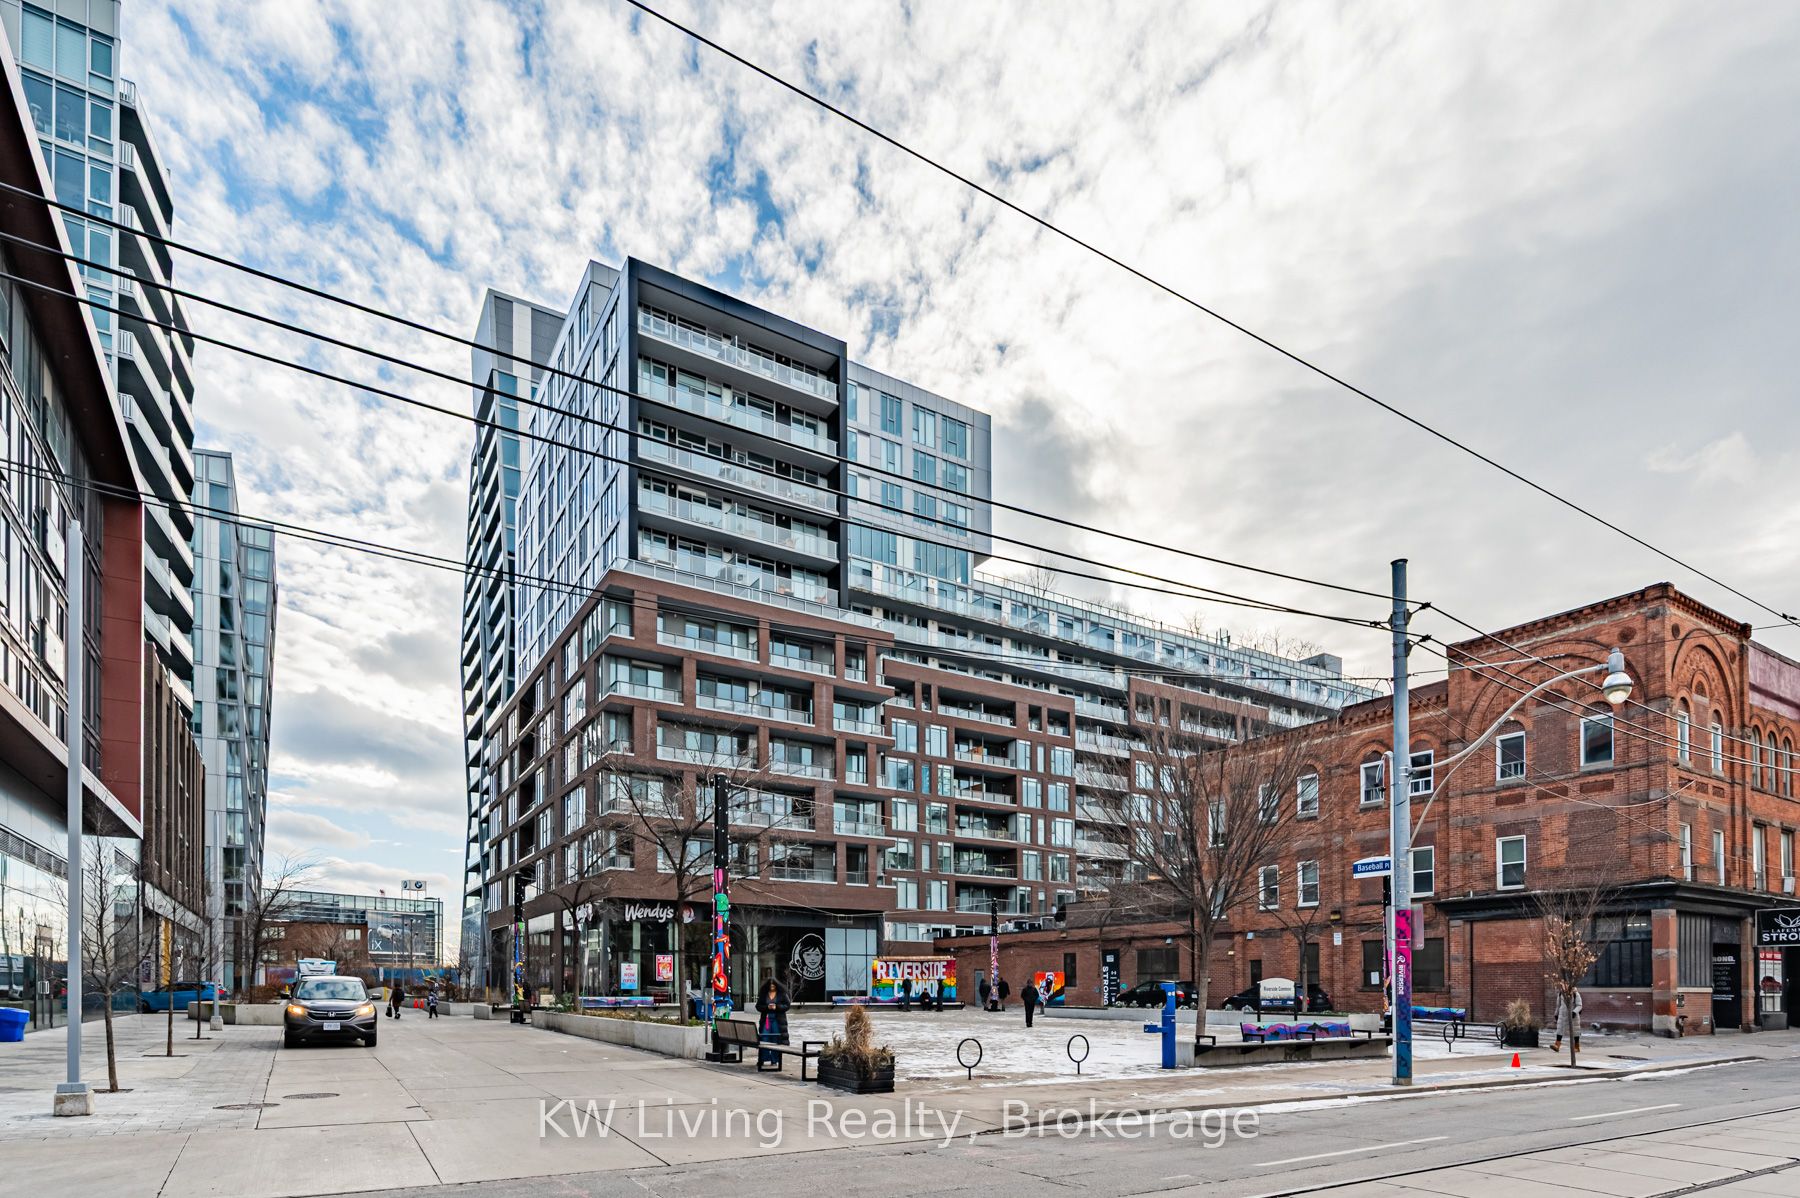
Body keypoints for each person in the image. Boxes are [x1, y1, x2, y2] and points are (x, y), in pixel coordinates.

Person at [755, 978, 791, 1067]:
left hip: (777, 1020)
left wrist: (777, 1007)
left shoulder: (782, 994)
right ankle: (763, 1059)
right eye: (770, 985)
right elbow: (758, 1006)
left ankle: (774, 1060)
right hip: (767, 1020)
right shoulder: (764, 994)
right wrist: (767, 1007)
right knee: (764, 1037)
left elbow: (787, 1005)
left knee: (776, 1039)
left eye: (773, 984)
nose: (772, 986)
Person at [1552, 988, 1583, 1054]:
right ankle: (1557, 1045)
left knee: (1575, 1031)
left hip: (1572, 1015)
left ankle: (1576, 1046)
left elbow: (1579, 1005)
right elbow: (1558, 1005)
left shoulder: (1575, 993)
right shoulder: (1561, 993)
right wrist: (1556, 1014)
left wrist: (1574, 1012)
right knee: (1559, 1029)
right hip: (1562, 1015)